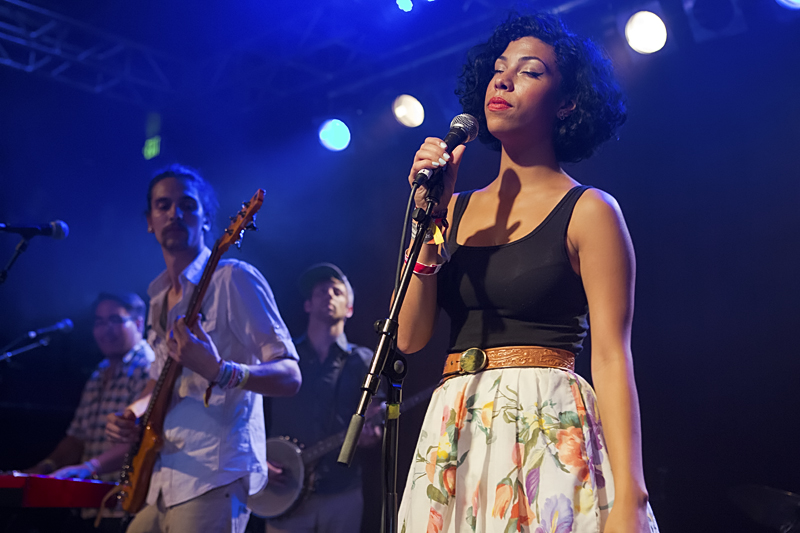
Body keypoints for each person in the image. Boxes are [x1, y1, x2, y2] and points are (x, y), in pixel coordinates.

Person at [395, 13, 659, 533]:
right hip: (456, 430)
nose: (504, 80)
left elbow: (612, 357)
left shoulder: (590, 211)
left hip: (546, 426)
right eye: (498, 69)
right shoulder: (451, 208)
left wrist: (631, 496)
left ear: (567, 102)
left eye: (530, 71)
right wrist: (428, 221)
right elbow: (407, 337)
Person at [105, 164, 301, 533]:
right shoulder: (157, 299)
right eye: (163, 206)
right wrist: (131, 414)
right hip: (161, 477)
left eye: (187, 205)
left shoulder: (234, 278)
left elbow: (290, 375)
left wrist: (221, 371)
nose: (174, 214)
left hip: (214, 474)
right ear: (149, 221)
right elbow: (158, 380)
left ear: (207, 218)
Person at [265, 263, 382, 533]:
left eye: (337, 291)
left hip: (343, 492)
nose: (329, 295)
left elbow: (376, 419)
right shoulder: (284, 357)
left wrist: (372, 435)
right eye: (321, 291)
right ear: (307, 305)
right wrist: (259, 460)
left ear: (349, 308)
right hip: (282, 488)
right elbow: (254, 413)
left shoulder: (364, 360)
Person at [24, 292, 153, 528]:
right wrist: (44, 468)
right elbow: (77, 438)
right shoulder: (99, 372)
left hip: (126, 508)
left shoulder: (149, 369)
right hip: (92, 507)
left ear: (138, 324)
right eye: (99, 322)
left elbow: (143, 440)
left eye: (114, 320)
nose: (106, 330)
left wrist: (89, 468)